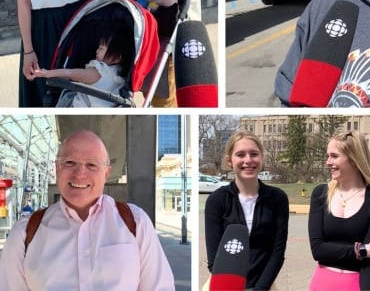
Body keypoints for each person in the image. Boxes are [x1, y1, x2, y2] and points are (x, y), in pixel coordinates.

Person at [0, 129, 175, 290]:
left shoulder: (136, 222)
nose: (80, 174)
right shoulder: (25, 233)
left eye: (91, 165)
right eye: (69, 163)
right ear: (57, 168)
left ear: (106, 173)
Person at [204, 130, 289, 291]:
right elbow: (214, 260)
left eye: (254, 154)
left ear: (262, 157)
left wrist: (260, 288)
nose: (248, 160)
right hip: (225, 283)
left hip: (264, 286)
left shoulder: (278, 199)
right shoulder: (217, 200)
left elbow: (277, 253)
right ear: (230, 160)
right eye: (240, 155)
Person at [308, 131, 370, 290]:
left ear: (353, 158)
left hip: (357, 284)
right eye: (328, 156)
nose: (328, 162)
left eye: (334, 156)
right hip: (322, 282)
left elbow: (369, 262)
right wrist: (362, 249)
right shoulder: (320, 194)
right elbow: (318, 250)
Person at [31, 25, 133, 107]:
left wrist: (47, 73)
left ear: (116, 58)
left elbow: (70, 74)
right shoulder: (121, 76)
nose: (97, 50)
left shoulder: (98, 71)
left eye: (101, 48)